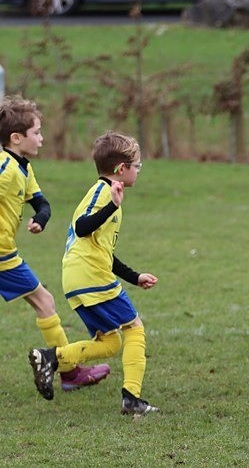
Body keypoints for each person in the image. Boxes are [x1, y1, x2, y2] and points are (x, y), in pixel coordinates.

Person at [28, 131, 160, 416]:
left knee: (110, 342)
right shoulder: (103, 192)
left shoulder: (105, 194)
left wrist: (135, 277)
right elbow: (82, 227)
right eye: (137, 165)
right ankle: (132, 398)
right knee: (134, 328)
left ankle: (52, 357)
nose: (139, 170)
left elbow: (103, 252)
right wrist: (112, 205)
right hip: (90, 276)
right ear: (121, 168)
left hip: (79, 278)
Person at [0, 96, 110, 397]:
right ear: (16, 138)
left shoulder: (23, 168)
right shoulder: (5, 168)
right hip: (2, 256)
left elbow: (42, 203)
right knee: (44, 301)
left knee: (44, 302)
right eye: (36, 132)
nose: (42, 138)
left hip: (6, 254)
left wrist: (40, 218)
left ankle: (69, 372)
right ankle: (70, 372)